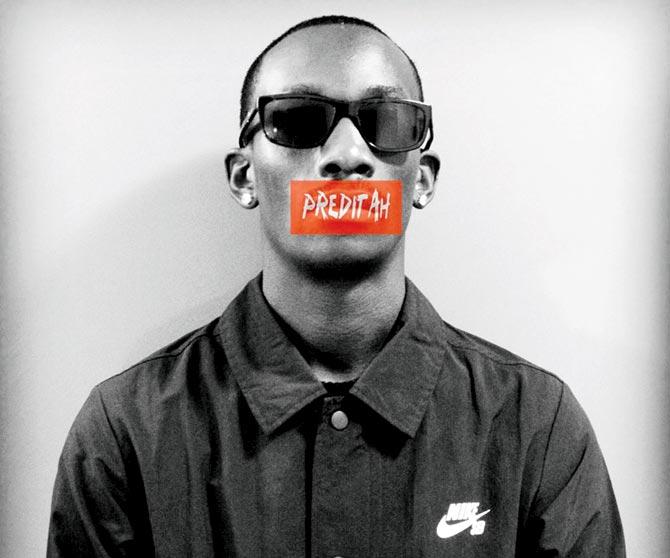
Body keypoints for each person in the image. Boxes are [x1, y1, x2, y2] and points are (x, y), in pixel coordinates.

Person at [47, 15, 625, 557]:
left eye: (387, 122)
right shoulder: (126, 430)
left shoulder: (535, 425)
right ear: (245, 177)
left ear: (421, 180)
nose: (347, 155)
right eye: (297, 120)